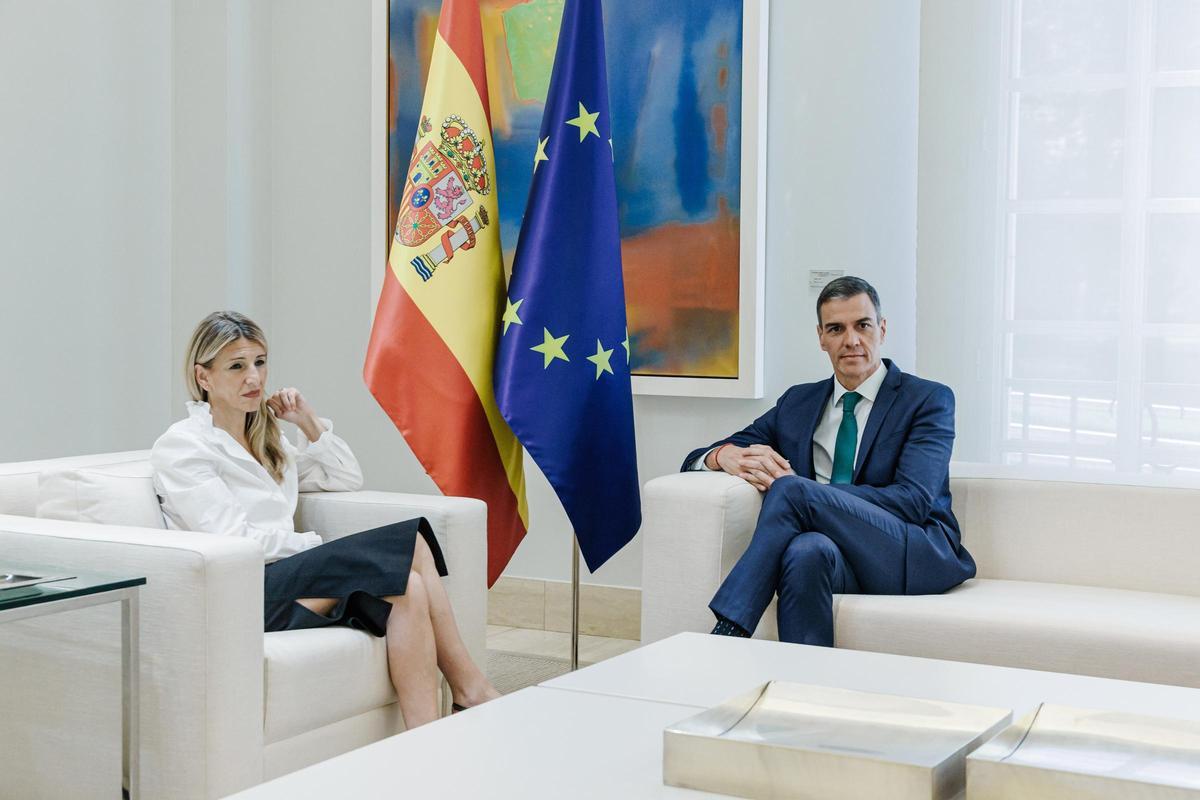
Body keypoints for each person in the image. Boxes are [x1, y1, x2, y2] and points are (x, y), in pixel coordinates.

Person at [152, 311, 498, 728]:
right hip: (242, 590)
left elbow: (346, 476)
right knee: (413, 542)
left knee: (407, 587)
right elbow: (233, 540)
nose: (254, 378)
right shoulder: (184, 446)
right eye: (237, 366)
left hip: (288, 579)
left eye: (260, 362)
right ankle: (470, 688)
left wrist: (306, 422)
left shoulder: (268, 438)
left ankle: (424, 735)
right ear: (203, 377)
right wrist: (314, 548)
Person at [683, 277, 976, 645]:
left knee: (792, 491)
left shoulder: (927, 400)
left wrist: (817, 498)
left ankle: (728, 632)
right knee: (807, 551)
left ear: (881, 329)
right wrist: (721, 456)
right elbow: (695, 457)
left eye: (862, 325)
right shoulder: (797, 403)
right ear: (821, 336)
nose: (851, 340)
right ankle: (803, 688)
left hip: (906, 549)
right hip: (836, 554)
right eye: (836, 329)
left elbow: (914, 501)